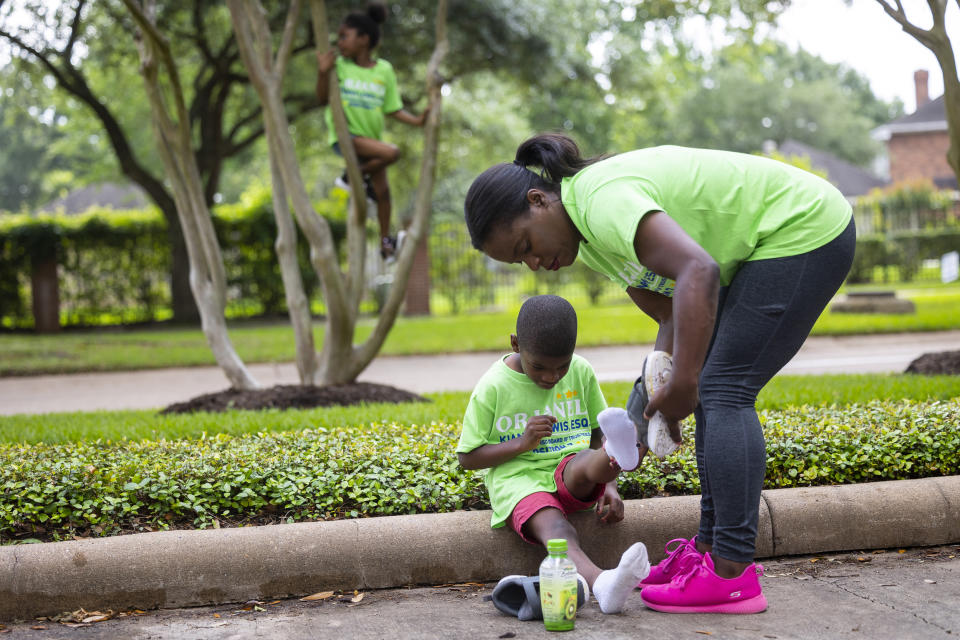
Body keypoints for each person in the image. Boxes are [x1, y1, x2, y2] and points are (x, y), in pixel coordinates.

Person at [463, 134, 856, 615]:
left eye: (526, 245)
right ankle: (710, 555)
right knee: (713, 386)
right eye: (519, 261)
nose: (535, 265)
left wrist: (686, 382)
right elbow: (671, 316)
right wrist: (640, 421)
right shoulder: (591, 245)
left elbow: (699, 269)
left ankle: (731, 575)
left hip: (802, 228)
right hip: (767, 246)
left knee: (722, 388)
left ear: (538, 199)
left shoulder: (600, 202)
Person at [457, 294, 651, 615]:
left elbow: (597, 429)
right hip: (518, 479)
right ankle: (603, 584)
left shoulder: (581, 371)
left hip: (569, 466)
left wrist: (611, 488)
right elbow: (468, 457)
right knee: (559, 531)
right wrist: (521, 443)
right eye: (540, 367)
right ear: (516, 344)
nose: (552, 377)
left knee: (587, 462)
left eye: (562, 366)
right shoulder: (493, 385)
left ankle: (618, 456)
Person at [316, 2, 427, 260]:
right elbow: (322, 99)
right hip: (348, 138)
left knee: (384, 193)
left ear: (364, 39)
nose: (339, 41)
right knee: (392, 153)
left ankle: (385, 244)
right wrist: (323, 73)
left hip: (371, 142)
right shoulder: (340, 66)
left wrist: (418, 121)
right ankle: (349, 176)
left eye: (345, 36)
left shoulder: (384, 70)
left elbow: (392, 109)